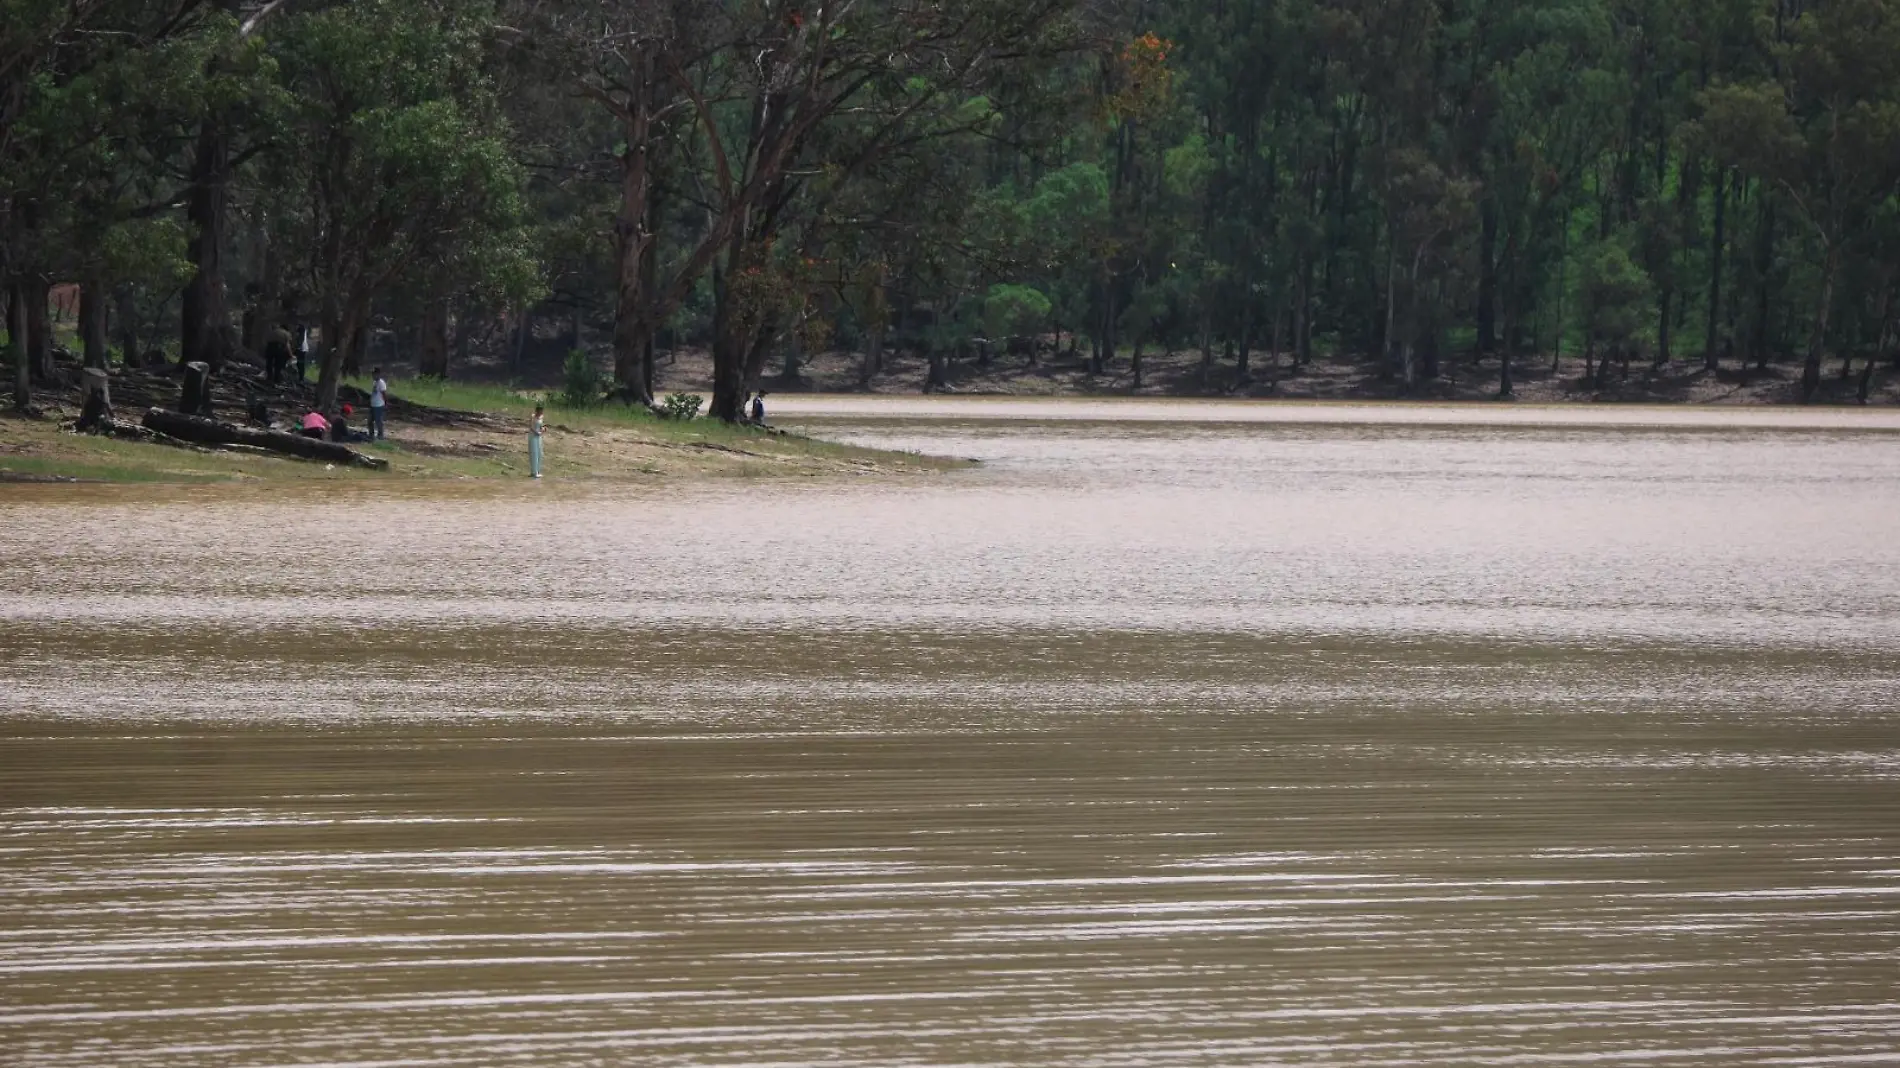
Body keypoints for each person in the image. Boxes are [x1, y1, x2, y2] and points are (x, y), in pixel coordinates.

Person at [368, 367, 388, 440]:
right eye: (372, 374)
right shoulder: (374, 382)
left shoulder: (381, 383)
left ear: (378, 374)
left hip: (378, 405)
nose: (373, 376)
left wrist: (385, 403)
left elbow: (384, 394)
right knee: (370, 420)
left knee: (378, 421)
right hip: (373, 404)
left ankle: (380, 435)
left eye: (374, 374)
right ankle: (371, 435)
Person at [528, 403, 546, 479]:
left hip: (539, 437)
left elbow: (541, 426)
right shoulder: (533, 417)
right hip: (533, 436)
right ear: (536, 411)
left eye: (541, 411)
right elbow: (531, 427)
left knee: (539, 453)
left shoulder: (541, 417)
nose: (540, 412)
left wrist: (543, 429)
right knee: (534, 453)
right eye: (539, 411)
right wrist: (536, 432)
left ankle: (538, 471)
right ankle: (534, 472)